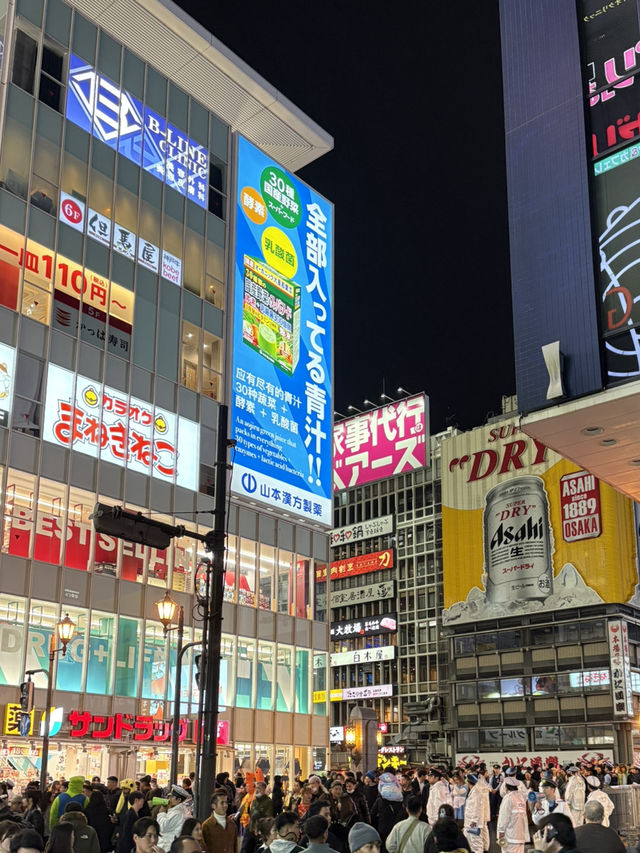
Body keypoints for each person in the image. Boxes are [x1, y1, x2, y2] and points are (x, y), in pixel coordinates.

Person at [496, 777, 529, 853]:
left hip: (510, 837)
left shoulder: (508, 798)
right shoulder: (521, 798)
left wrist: (501, 832)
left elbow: (504, 817)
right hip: (520, 836)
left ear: (506, 787)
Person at [241, 782, 272, 853]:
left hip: (260, 831)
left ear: (264, 789)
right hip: (250, 828)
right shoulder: (254, 801)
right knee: (245, 849)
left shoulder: (268, 802)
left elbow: (268, 817)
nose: (257, 790)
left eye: (259, 788)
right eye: (256, 788)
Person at [461, 776, 488, 853]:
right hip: (470, 823)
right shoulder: (473, 791)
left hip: (473, 824)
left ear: (468, 783)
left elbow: (477, 808)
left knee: (476, 844)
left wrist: (474, 821)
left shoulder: (476, 793)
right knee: (471, 844)